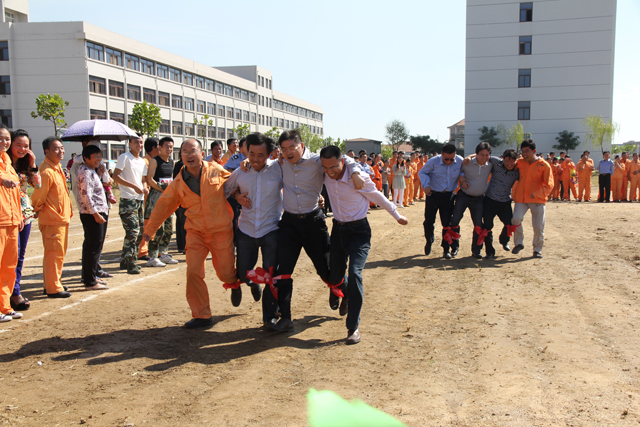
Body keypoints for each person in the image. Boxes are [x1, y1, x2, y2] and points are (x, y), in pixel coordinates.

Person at [269, 130, 364, 332]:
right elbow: (260, 165)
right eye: (283, 149)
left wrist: (355, 173)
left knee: (327, 271)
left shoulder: (316, 161)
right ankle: (285, 318)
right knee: (283, 271)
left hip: (313, 222)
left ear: (301, 146)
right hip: (289, 224)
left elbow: (345, 159)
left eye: (292, 147)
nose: (288, 152)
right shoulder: (280, 163)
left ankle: (344, 291)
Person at [143, 138, 241, 329]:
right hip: (196, 233)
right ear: (180, 156)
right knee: (194, 272)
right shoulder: (178, 183)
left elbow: (236, 184)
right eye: (185, 152)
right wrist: (149, 229)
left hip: (221, 231)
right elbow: (163, 205)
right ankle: (201, 315)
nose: (189, 155)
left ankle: (235, 283)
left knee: (226, 273)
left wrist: (242, 177)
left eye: (192, 151)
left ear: (201, 154)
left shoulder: (216, 170)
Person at [320, 145, 408, 344]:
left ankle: (353, 327)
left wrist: (397, 215)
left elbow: (378, 196)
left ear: (342, 162)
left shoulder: (359, 179)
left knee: (355, 273)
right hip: (338, 230)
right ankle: (345, 292)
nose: (329, 172)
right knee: (334, 275)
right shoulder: (325, 174)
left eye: (333, 167)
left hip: (359, 232)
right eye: (325, 168)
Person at [224, 133, 282, 319]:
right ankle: (251, 283)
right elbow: (225, 189)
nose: (255, 159)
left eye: (260, 155)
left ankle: (272, 314)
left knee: (272, 274)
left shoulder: (279, 169)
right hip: (246, 229)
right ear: (245, 152)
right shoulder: (240, 171)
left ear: (270, 154)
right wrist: (237, 196)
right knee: (243, 273)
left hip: (271, 229)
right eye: (252, 154)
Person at [31, 137, 73, 297]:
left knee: (58, 253)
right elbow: (38, 195)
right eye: (56, 148)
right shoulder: (46, 171)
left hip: (60, 218)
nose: (61, 151)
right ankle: (53, 287)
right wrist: (37, 209)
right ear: (46, 151)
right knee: (53, 254)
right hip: (52, 219)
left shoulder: (56, 168)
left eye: (61, 148)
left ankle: (53, 282)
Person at [8, 129, 40, 311]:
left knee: (20, 255)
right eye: (18, 145)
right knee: (9, 256)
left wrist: (33, 163)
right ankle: (9, 292)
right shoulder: (4, 164)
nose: (22, 149)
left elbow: (37, 184)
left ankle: (15, 291)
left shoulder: (24, 164)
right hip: (9, 215)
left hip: (25, 215)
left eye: (25, 146)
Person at [418, 143, 463, 259]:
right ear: (441, 154)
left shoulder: (460, 161)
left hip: (448, 196)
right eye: (446, 159)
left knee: (447, 224)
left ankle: (446, 249)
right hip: (433, 195)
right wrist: (426, 185)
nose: (449, 161)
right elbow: (422, 172)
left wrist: (462, 177)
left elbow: (465, 170)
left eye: (452, 159)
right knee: (428, 221)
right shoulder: (433, 161)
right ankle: (429, 240)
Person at [510, 139, 553, 258]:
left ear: (534, 151)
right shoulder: (519, 163)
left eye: (527, 151)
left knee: (538, 226)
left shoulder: (544, 165)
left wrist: (537, 194)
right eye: (523, 151)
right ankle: (519, 243)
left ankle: (537, 249)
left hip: (537, 199)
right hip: (521, 198)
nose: (524, 154)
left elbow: (549, 184)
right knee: (516, 219)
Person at [75, 144, 110, 291]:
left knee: (93, 246)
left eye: (99, 156)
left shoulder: (91, 171)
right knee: (93, 247)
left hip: (96, 212)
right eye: (95, 156)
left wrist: (100, 174)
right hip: (92, 213)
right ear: (86, 157)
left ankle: (91, 276)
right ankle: (90, 281)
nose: (98, 159)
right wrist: (95, 214)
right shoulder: (85, 172)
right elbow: (86, 195)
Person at [113, 135, 148, 274]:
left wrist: (144, 187)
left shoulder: (142, 161)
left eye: (141, 142)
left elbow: (143, 179)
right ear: (130, 144)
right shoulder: (125, 157)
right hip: (128, 200)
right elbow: (116, 175)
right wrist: (133, 186)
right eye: (136, 142)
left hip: (139, 199)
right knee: (133, 232)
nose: (139, 145)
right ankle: (131, 263)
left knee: (139, 233)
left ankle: (125, 260)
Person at [453, 142, 493, 259]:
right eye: (482, 155)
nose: (484, 157)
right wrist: (462, 179)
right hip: (463, 196)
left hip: (479, 199)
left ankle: (476, 250)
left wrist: (471, 155)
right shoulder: (467, 163)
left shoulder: (490, 165)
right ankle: (454, 247)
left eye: (487, 155)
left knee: (478, 225)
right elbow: (458, 171)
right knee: (455, 220)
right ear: (476, 154)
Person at [0, 124, 23, 321]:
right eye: (1, 138)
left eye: (7, 139)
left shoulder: (7, 160)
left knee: (9, 265)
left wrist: (19, 215)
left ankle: (5, 306)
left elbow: (15, 192)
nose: (4, 142)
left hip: (12, 220)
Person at [145, 136, 178, 267]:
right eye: (166, 147)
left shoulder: (172, 162)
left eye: (171, 147)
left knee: (168, 228)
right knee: (158, 228)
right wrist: (162, 188)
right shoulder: (154, 161)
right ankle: (152, 257)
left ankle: (163, 254)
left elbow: (171, 179)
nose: (169, 149)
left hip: (168, 197)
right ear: (160, 147)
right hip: (157, 197)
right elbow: (150, 179)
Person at [481, 149, 519, 258]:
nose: (509, 164)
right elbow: (483, 156)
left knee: (509, 223)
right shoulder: (495, 162)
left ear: (516, 161)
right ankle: (489, 252)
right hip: (490, 200)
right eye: (507, 161)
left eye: (512, 161)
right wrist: (469, 157)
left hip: (505, 201)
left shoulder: (518, 170)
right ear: (503, 159)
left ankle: (504, 241)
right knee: (487, 226)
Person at [138, 136, 159, 261]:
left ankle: (152, 249)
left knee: (154, 223)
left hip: (154, 197)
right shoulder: (145, 161)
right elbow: (144, 179)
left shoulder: (155, 160)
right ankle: (142, 251)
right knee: (146, 224)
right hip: (146, 197)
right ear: (153, 148)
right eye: (159, 146)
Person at [173, 152, 187, 253]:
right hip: (182, 197)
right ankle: (184, 246)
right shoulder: (181, 165)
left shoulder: (178, 164)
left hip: (181, 196)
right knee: (183, 223)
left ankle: (181, 246)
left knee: (181, 222)